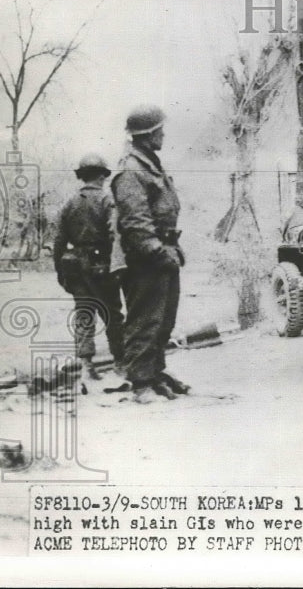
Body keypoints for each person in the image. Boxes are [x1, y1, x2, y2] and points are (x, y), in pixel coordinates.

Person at [111, 104, 190, 403]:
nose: (163, 135)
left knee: (163, 320)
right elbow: (136, 224)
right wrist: (159, 252)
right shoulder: (131, 172)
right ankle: (141, 382)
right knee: (145, 320)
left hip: (163, 254)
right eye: (160, 130)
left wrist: (170, 251)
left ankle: (156, 374)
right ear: (147, 135)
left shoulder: (148, 164)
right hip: (145, 260)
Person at [53, 154, 125, 379]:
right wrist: (118, 266)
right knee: (113, 315)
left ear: (82, 176)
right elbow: (114, 236)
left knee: (84, 314)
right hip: (102, 265)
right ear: (103, 176)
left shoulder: (69, 203)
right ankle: (120, 363)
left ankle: (86, 367)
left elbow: (58, 242)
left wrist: (60, 271)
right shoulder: (107, 201)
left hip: (75, 267)